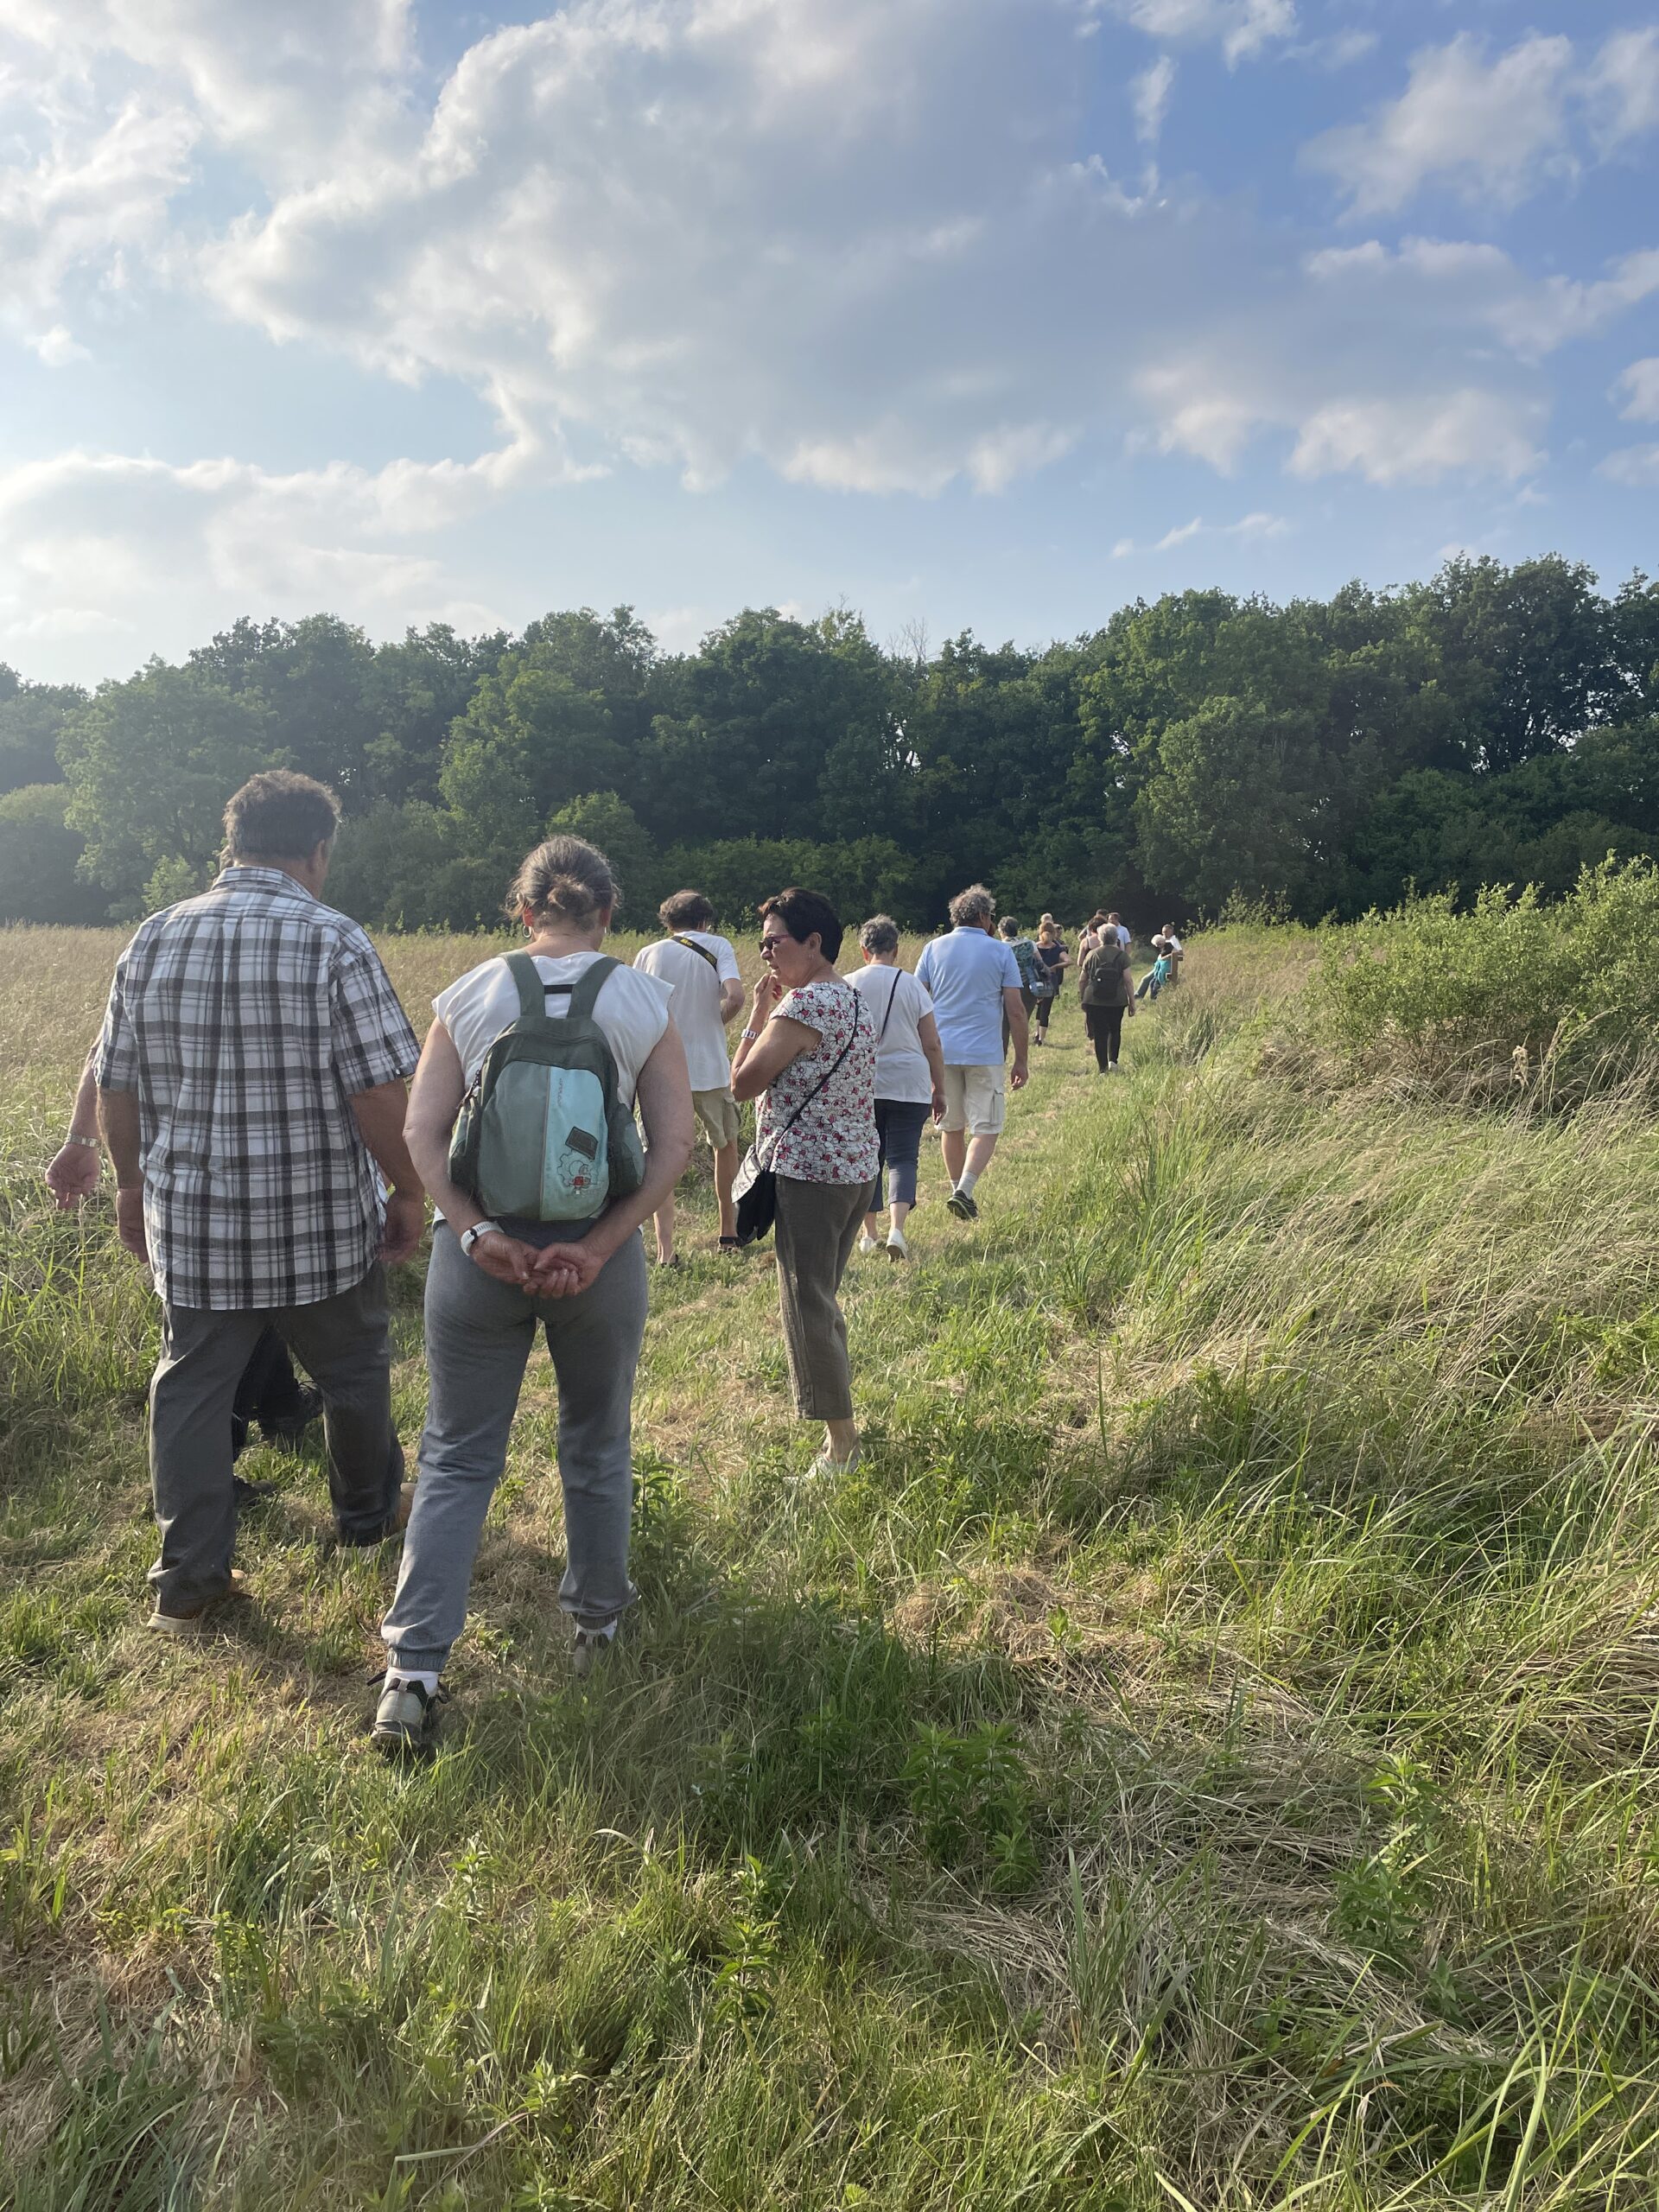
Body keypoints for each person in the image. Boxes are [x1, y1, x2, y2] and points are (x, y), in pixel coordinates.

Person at [375, 836, 694, 1753]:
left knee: (457, 1455)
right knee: (596, 1438)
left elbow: (422, 1131)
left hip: (478, 1259)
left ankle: (413, 1673)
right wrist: (595, 1247)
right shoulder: (642, 998)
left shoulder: (471, 992)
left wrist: (478, 1234)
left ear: (526, 914)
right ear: (607, 912)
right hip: (597, 1260)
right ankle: (596, 1624)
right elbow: (671, 1146)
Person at [93, 771, 423, 1635]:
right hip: (318, 1224)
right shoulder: (333, 940)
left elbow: (115, 1086)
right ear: (316, 851)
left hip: (195, 1227)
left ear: (232, 842)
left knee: (193, 1392)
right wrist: (410, 1186)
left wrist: (130, 1183)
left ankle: (190, 1582)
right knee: (353, 1373)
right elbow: (379, 1095)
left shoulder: (153, 938)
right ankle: (365, 1517)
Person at [48, 1051, 323, 1485]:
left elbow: (105, 1055)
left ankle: (281, 1406)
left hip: (178, 1187)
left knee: (249, 1299)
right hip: (231, 1176)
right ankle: (213, 1476)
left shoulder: (145, 980)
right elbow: (107, 1056)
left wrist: (82, 1140)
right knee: (220, 1331)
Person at [731, 887, 877, 1476]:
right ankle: (837, 1432)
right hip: (855, 1169)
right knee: (822, 1297)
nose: (765, 952)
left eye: (775, 940)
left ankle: (842, 1446)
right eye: (761, 942)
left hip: (811, 1174)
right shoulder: (854, 999)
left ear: (814, 942)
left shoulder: (805, 1006)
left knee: (806, 1305)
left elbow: (742, 1083)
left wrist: (756, 1016)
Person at [632, 889, 745, 1262]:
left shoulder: (648, 953)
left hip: (660, 1070)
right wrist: (717, 1023)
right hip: (710, 1068)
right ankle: (727, 1233)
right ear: (704, 921)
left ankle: (666, 1250)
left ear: (668, 923)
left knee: (659, 1154)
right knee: (724, 1145)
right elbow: (736, 995)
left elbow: (637, 1012)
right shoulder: (718, 945)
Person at [914, 885, 1029, 1222]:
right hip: (984, 1051)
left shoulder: (932, 949)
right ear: (982, 916)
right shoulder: (999, 952)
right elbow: (1017, 1011)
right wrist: (1021, 1058)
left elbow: (918, 1000)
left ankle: (955, 1189)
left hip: (941, 1051)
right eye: (991, 916)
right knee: (987, 1126)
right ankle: (965, 1189)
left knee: (951, 1127)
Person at [848, 915, 946, 1260]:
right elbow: (931, 1042)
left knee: (867, 1159)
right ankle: (897, 1231)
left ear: (863, 950)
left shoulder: (847, 984)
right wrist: (940, 1087)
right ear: (896, 950)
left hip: (864, 1085)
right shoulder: (912, 985)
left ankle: (868, 1233)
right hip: (909, 1083)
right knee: (904, 1158)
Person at [1078, 926, 1136, 1073]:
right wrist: (1132, 1002)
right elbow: (1128, 980)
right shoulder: (1122, 956)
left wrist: (1083, 998)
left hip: (1094, 999)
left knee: (1099, 1033)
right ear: (1116, 937)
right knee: (1115, 1029)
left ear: (1100, 938)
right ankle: (1113, 1062)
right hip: (1117, 999)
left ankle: (1102, 1068)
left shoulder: (1091, 954)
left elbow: (1082, 980)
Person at [996, 916, 1040, 1054]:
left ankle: (1002, 1055)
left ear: (1002, 931)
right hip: (1029, 987)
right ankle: (1021, 1055)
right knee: (1021, 1023)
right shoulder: (1030, 943)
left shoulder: (1000, 948)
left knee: (1003, 1026)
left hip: (1006, 989)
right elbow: (1040, 964)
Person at [1031, 915, 1070, 1042]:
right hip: (1050, 981)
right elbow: (1069, 961)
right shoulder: (1056, 948)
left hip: (1037, 980)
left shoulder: (1034, 947)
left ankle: (1036, 1034)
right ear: (1053, 933)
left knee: (1038, 1007)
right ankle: (1041, 1038)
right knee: (1045, 1010)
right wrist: (1055, 967)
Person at [1135, 934, 1173, 1001]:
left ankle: (1147, 998)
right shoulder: (1163, 947)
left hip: (1164, 968)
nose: (1158, 946)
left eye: (1159, 944)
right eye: (1156, 945)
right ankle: (1139, 996)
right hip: (1159, 967)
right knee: (1147, 980)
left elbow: (1175, 953)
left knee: (1151, 981)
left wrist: (1164, 957)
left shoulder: (1169, 946)